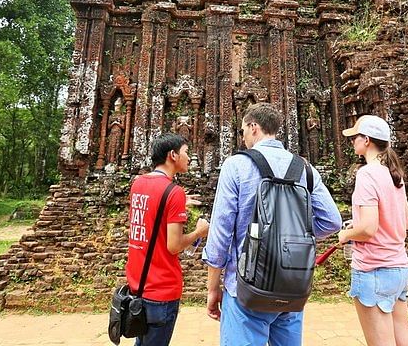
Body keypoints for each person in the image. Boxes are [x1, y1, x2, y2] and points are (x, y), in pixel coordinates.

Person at [203, 102, 342, 346]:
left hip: (246, 288)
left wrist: (213, 288)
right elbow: (332, 221)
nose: (243, 136)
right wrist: (296, 234)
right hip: (291, 286)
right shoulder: (304, 168)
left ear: (254, 127)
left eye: (243, 130)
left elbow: (220, 235)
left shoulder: (236, 165)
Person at [125, 133, 209, 346]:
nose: (189, 158)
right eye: (186, 152)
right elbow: (174, 246)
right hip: (161, 289)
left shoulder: (138, 184)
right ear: (173, 155)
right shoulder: (174, 192)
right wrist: (199, 232)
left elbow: (151, 213)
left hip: (138, 284)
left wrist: (179, 203)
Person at [339, 115, 408, 346]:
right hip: (399, 268)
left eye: (355, 137)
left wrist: (346, 234)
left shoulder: (367, 173)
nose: (352, 141)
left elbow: (369, 229)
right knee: (403, 337)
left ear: (367, 140)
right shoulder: (394, 174)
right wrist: (358, 223)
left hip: (374, 269)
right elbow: (407, 221)